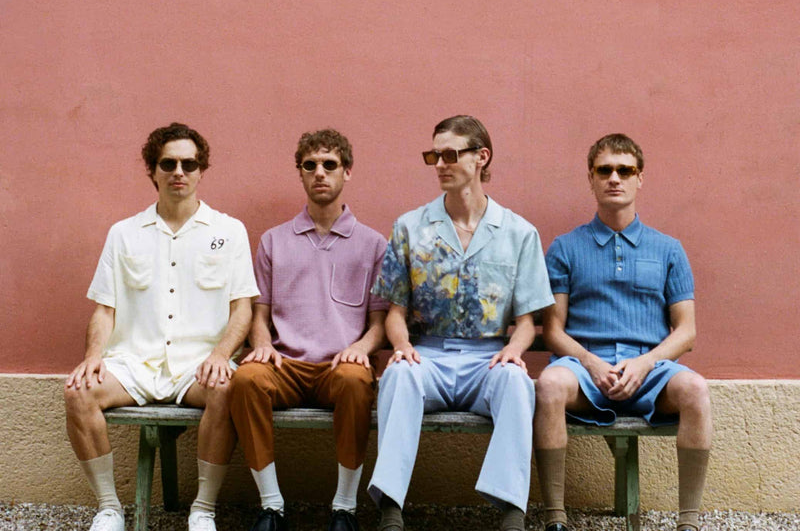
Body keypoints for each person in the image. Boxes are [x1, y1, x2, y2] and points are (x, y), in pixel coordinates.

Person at [64, 122, 259, 531]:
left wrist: (222, 355)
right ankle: (109, 509)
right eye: (168, 163)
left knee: (228, 387)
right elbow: (104, 309)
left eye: (189, 163)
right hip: (134, 362)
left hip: (197, 365)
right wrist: (92, 358)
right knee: (78, 392)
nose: (178, 172)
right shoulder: (123, 234)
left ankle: (203, 509)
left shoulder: (229, 231)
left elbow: (243, 308)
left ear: (202, 170)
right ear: (152, 170)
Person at [367, 115, 554, 531]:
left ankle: (511, 511)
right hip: (428, 354)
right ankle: (391, 509)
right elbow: (395, 313)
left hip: (486, 359)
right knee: (398, 377)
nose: (439, 164)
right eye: (433, 155)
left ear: (481, 157)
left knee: (517, 383)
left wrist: (512, 351)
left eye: (450, 154)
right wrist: (402, 347)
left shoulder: (518, 233)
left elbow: (527, 321)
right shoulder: (410, 227)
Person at [534, 133, 712, 531]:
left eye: (625, 170)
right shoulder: (565, 248)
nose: (615, 178)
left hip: (651, 373)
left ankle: (689, 522)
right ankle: (555, 519)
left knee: (696, 390)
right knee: (547, 385)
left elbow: (687, 332)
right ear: (591, 179)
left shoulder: (669, 249)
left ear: (639, 178)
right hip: (584, 372)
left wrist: (647, 364)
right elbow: (554, 330)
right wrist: (592, 363)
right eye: (605, 170)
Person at [230, 129, 388, 531]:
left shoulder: (372, 244)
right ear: (299, 173)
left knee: (357, 382)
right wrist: (262, 344)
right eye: (310, 165)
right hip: (284, 365)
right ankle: (271, 506)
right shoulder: (273, 241)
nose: (320, 173)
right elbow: (259, 313)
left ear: (347, 172)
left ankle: (344, 509)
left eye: (330, 165)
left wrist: (361, 348)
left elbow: (379, 322)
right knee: (246, 378)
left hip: (339, 365)